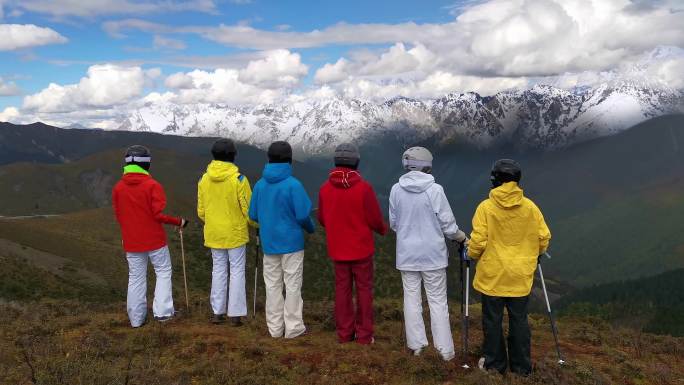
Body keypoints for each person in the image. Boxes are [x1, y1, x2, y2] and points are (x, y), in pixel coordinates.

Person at [468, 159, 551, 376]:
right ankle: (522, 368)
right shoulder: (531, 207)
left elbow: (478, 242)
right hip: (520, 277)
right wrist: (535, 253)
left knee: (493, 321)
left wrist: (470, 255)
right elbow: (543, 237)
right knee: (519, 321)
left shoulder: (485, 208)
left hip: (492, 277)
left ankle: (495, 365)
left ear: (495, 180)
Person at [389, 147, 467, 361]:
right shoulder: (435, 190)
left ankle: (418, 347)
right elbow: (448, 226)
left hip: (406, 254)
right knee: (437, 302)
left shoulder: (396, 189)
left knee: (411, 300)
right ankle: (445, 352)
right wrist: (461, 237)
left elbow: (394, 223)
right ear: (427, 165)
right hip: (433, 255)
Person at [317, 143, 387, 344]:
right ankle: (364, 335)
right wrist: (382, 230)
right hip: (361, 249)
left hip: (338, 248)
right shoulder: (364, 188)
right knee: (364, 290)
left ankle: (344, 334)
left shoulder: (324, 189)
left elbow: (322, 218)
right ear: (356, 162)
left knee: (342, 290)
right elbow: (374, 219)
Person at [112, 145, 188, 328]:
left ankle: (136, 319)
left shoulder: (118, 188)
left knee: (136, 277)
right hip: (154, 239)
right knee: (162, 272)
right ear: (146, 164)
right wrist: (179, 222)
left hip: (131, 240)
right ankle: (163, 313)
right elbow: (158, 215)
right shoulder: (152, 185)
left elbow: (119, 215)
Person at [248, 141, 314, 339]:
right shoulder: (294, 184)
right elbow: (303, 215)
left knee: (273, 286)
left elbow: (253, 214)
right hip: (292, 243)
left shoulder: (260, 185)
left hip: (269, 244)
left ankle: (275, 329)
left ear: (268, 159)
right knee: (292, 285)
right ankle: (293, 328)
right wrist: (310, 229)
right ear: (289, 160)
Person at [198, 138, 255, 326]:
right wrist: (256, 225)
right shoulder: (239, 179)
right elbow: (249, 211)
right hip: (235, 233)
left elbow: (201, 211)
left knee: (218, 270)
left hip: (214, 232)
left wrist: (214, 222)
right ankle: (236, 314)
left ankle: (217, 312)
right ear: (233, 156)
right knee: (237, 270)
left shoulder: (204, 179)